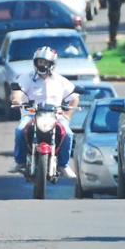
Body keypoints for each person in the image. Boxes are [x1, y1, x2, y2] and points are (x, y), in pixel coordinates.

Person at [9, 46, 79, 178]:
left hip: (56, 115)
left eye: (45, 62)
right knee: (20, 130)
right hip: (31, 114)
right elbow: (17, 90)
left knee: (68, 134)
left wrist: (68, 116)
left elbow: (74, 97)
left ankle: (64, 165)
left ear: (52, 64)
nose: (42, 65)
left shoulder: (60, 80)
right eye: (40, 62)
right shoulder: (27, 77)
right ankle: (20, 161)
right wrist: (16, 99)